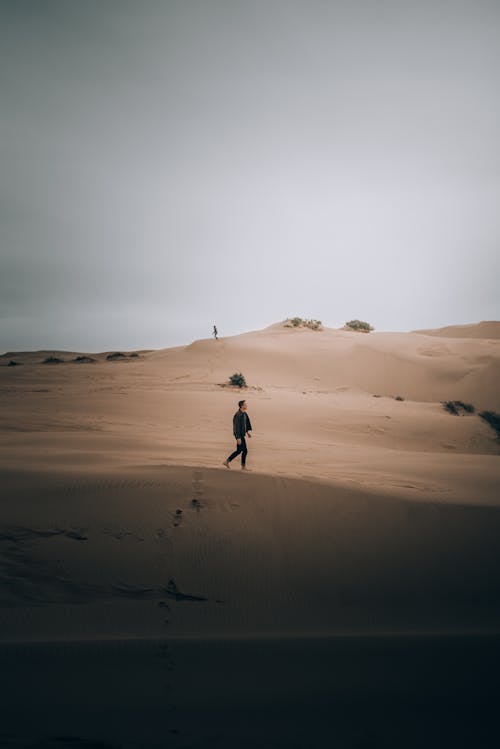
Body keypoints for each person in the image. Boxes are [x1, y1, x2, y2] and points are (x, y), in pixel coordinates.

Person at [223, 400, 252, 470]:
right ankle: (243, 466)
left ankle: (227, 461)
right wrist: (238, 438)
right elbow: (236, 427)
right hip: (239, 435)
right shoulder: (238, 415)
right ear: (242, 406)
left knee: (239, 450)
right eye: (245, 404)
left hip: (242, 434)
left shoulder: (244, 414)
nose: (246, 406)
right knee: (245, 450)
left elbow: (245, 424)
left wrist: (247, 432)